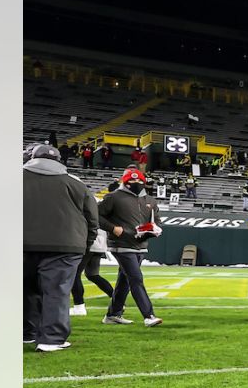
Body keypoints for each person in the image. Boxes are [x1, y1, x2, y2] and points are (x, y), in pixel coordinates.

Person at [24, 144, 97, 352]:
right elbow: (92, 220)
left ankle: (26, 333)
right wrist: (85, 244)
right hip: (66, 245)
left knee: (24, 289)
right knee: (56, 291)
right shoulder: (76, 184)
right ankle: (51, 339)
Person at [97, 167, 164, 327]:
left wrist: (156, 229)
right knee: (136, 278)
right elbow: (96, 215)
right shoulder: (113, 197)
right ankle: (149, 315)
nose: (136, 183)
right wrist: (113, 228)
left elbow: (158, 221)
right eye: (132, 180)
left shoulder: (150, 201)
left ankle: (113, 314)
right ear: (125, 182)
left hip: (141, 244)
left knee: (124, 281)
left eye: (139, 180)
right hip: (121, 245)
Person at [69, 202, 115, 316]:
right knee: (92, 274)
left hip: (90, 244)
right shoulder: (99, 207)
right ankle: (116, 299)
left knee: (75, 274)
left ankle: (79, 306)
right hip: (99, 245)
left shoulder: (86, 207)